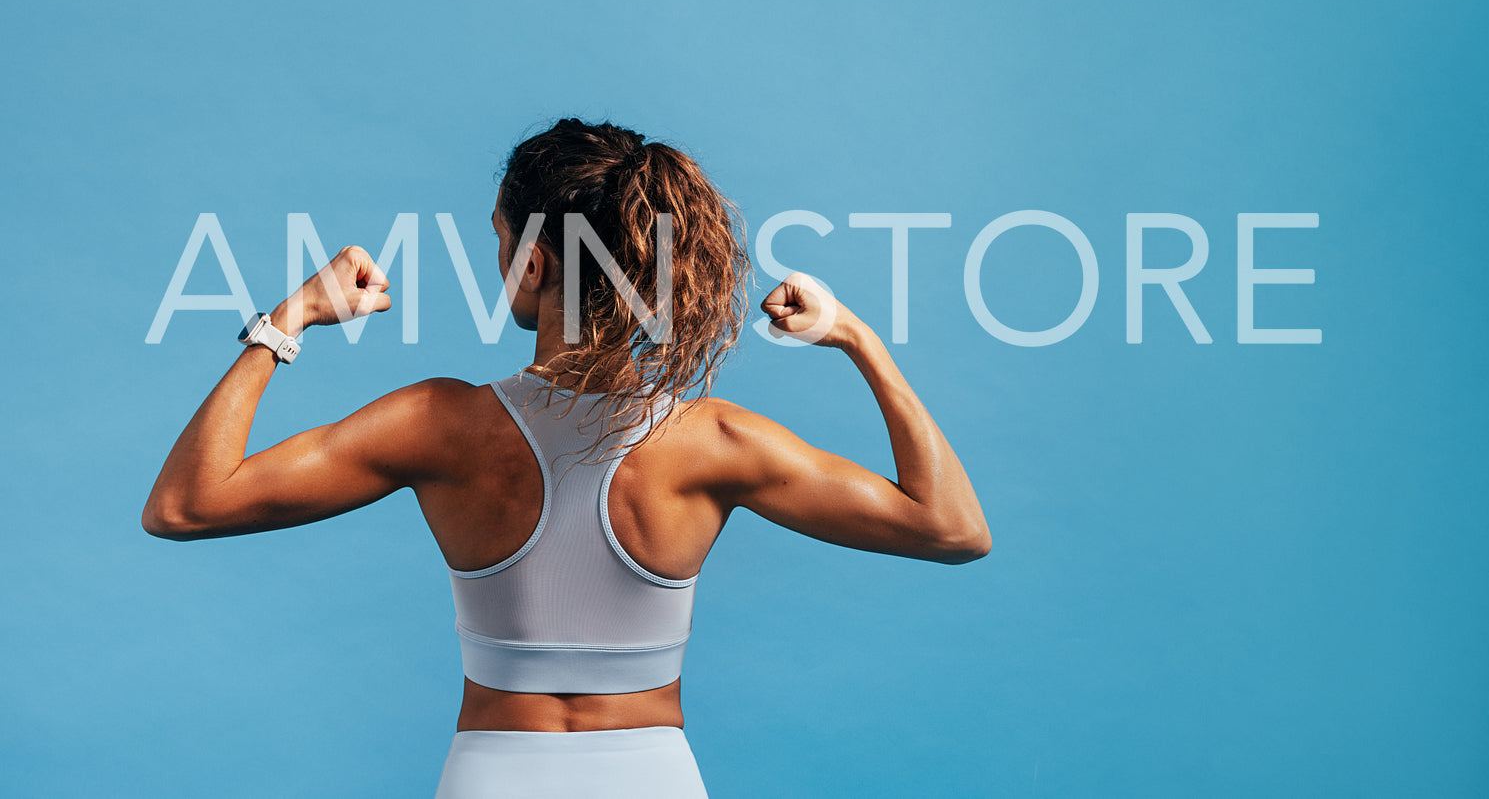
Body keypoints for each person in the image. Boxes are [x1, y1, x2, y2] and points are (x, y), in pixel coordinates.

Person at [142, 118, 991, 797]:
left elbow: (183, 505)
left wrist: (289, 318)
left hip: (493, 779)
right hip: (652, 779)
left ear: (536, 260)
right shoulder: (716, 440)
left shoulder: (439, 425)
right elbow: (950, 527)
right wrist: (854, 338)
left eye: (499, 241)